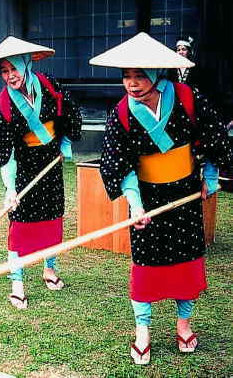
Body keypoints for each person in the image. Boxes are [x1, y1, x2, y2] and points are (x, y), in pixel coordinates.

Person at [91, 32, 231, 365]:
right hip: (146, 195)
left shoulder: (187, 96)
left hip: (184, 192)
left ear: (156, 74)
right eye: (127, 76)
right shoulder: (121, 114)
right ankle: (143, 331)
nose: (132, 84)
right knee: (146, 266)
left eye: (140, 75)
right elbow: (118, 162)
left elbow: (212, 134)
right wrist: (136, 205)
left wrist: (210, 176)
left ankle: (184, 324)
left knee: (186, 260)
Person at [0, 36, 82, 309]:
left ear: (26, 65)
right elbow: (5, 153)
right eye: (4, 72)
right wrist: (10, 188)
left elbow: (68, 114)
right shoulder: (1, 106)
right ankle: (17, 281)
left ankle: (49, 268)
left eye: (14, 69)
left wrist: (64, 147)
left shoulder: (49, 84)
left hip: (51, 160)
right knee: (19, 224)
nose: (10, 76)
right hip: (23, 164)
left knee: (52, 218)